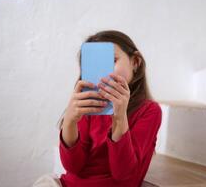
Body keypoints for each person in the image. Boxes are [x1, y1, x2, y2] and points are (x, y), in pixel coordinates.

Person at [33, 30, 162, 187]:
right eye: (93, 65)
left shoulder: (149, 111)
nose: (103, 73)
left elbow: (124, 175)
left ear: (135, 62)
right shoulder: (88, 107)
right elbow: (73, 167)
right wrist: (69, 121)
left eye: (112, 61)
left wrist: (120, 118)